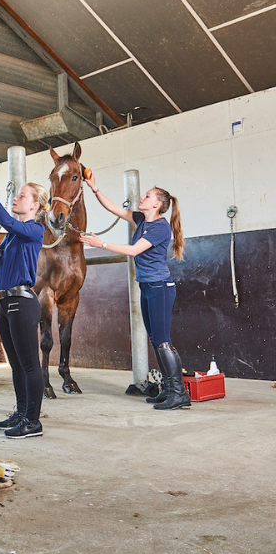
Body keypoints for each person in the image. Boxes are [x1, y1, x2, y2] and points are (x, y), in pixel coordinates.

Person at [79, 172, 188, 410]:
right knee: (155, 339)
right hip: (148, 286)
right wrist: (94, 188)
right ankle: (169, 390)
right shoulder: (141, 219)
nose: (142, 197)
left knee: (162, 341)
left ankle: (178, 393)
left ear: (157, 205)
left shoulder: (160, 228)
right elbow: (114, 209)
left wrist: (102, 244)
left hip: (160, 287)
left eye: (147, 196)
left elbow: (133, 251)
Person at [0, 179, 48, 438]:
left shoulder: (34, 229)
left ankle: (32, 422)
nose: (16, 198)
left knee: (29, 365)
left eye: (22, 196)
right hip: (4, 303)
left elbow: (7, 221)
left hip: (22, 303)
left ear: (35, 205)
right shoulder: (13, 236)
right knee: (16, 365)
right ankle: (22, 413)